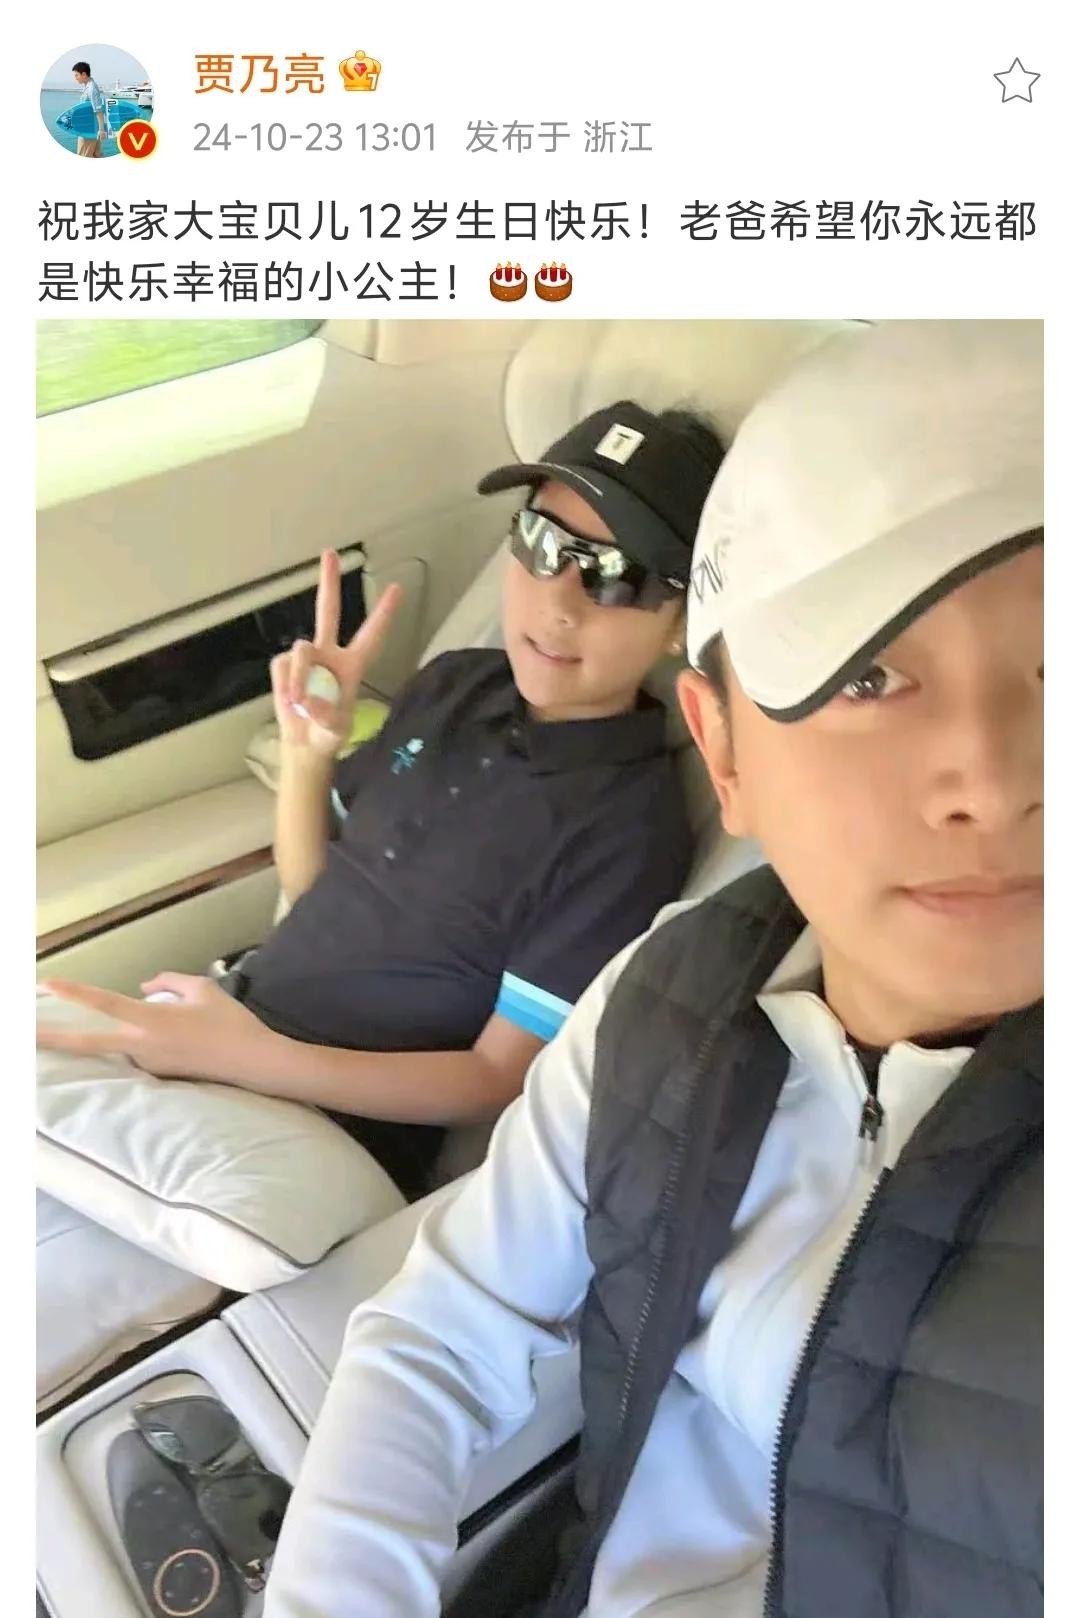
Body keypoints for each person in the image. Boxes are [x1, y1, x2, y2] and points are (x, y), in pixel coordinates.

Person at [258, 320, 1043, 1618]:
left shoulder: (611, 841)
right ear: (723, 749)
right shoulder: (660, 995)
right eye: (868, 675)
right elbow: (442, 1327)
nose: (993, 782)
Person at [37, 402, 721, 1198]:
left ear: (680, 621)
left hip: (325, 1129)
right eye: (542, 544)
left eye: (614, 575)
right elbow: (310, 884)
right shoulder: (455, 683)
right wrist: (307, 754)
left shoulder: (628, 831)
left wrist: (245, 1056)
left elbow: (493, 1078)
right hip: (226, 1022)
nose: (559, 602)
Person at [71, 61, 109, 156]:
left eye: (76, 75)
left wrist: (101, 130)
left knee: (84, 155)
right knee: (96, 155)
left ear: (84, 74)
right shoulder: (88, 86)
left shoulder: (91, 88)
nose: (75, 78)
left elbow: (98, 110)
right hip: (92, 128)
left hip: (88, 130)